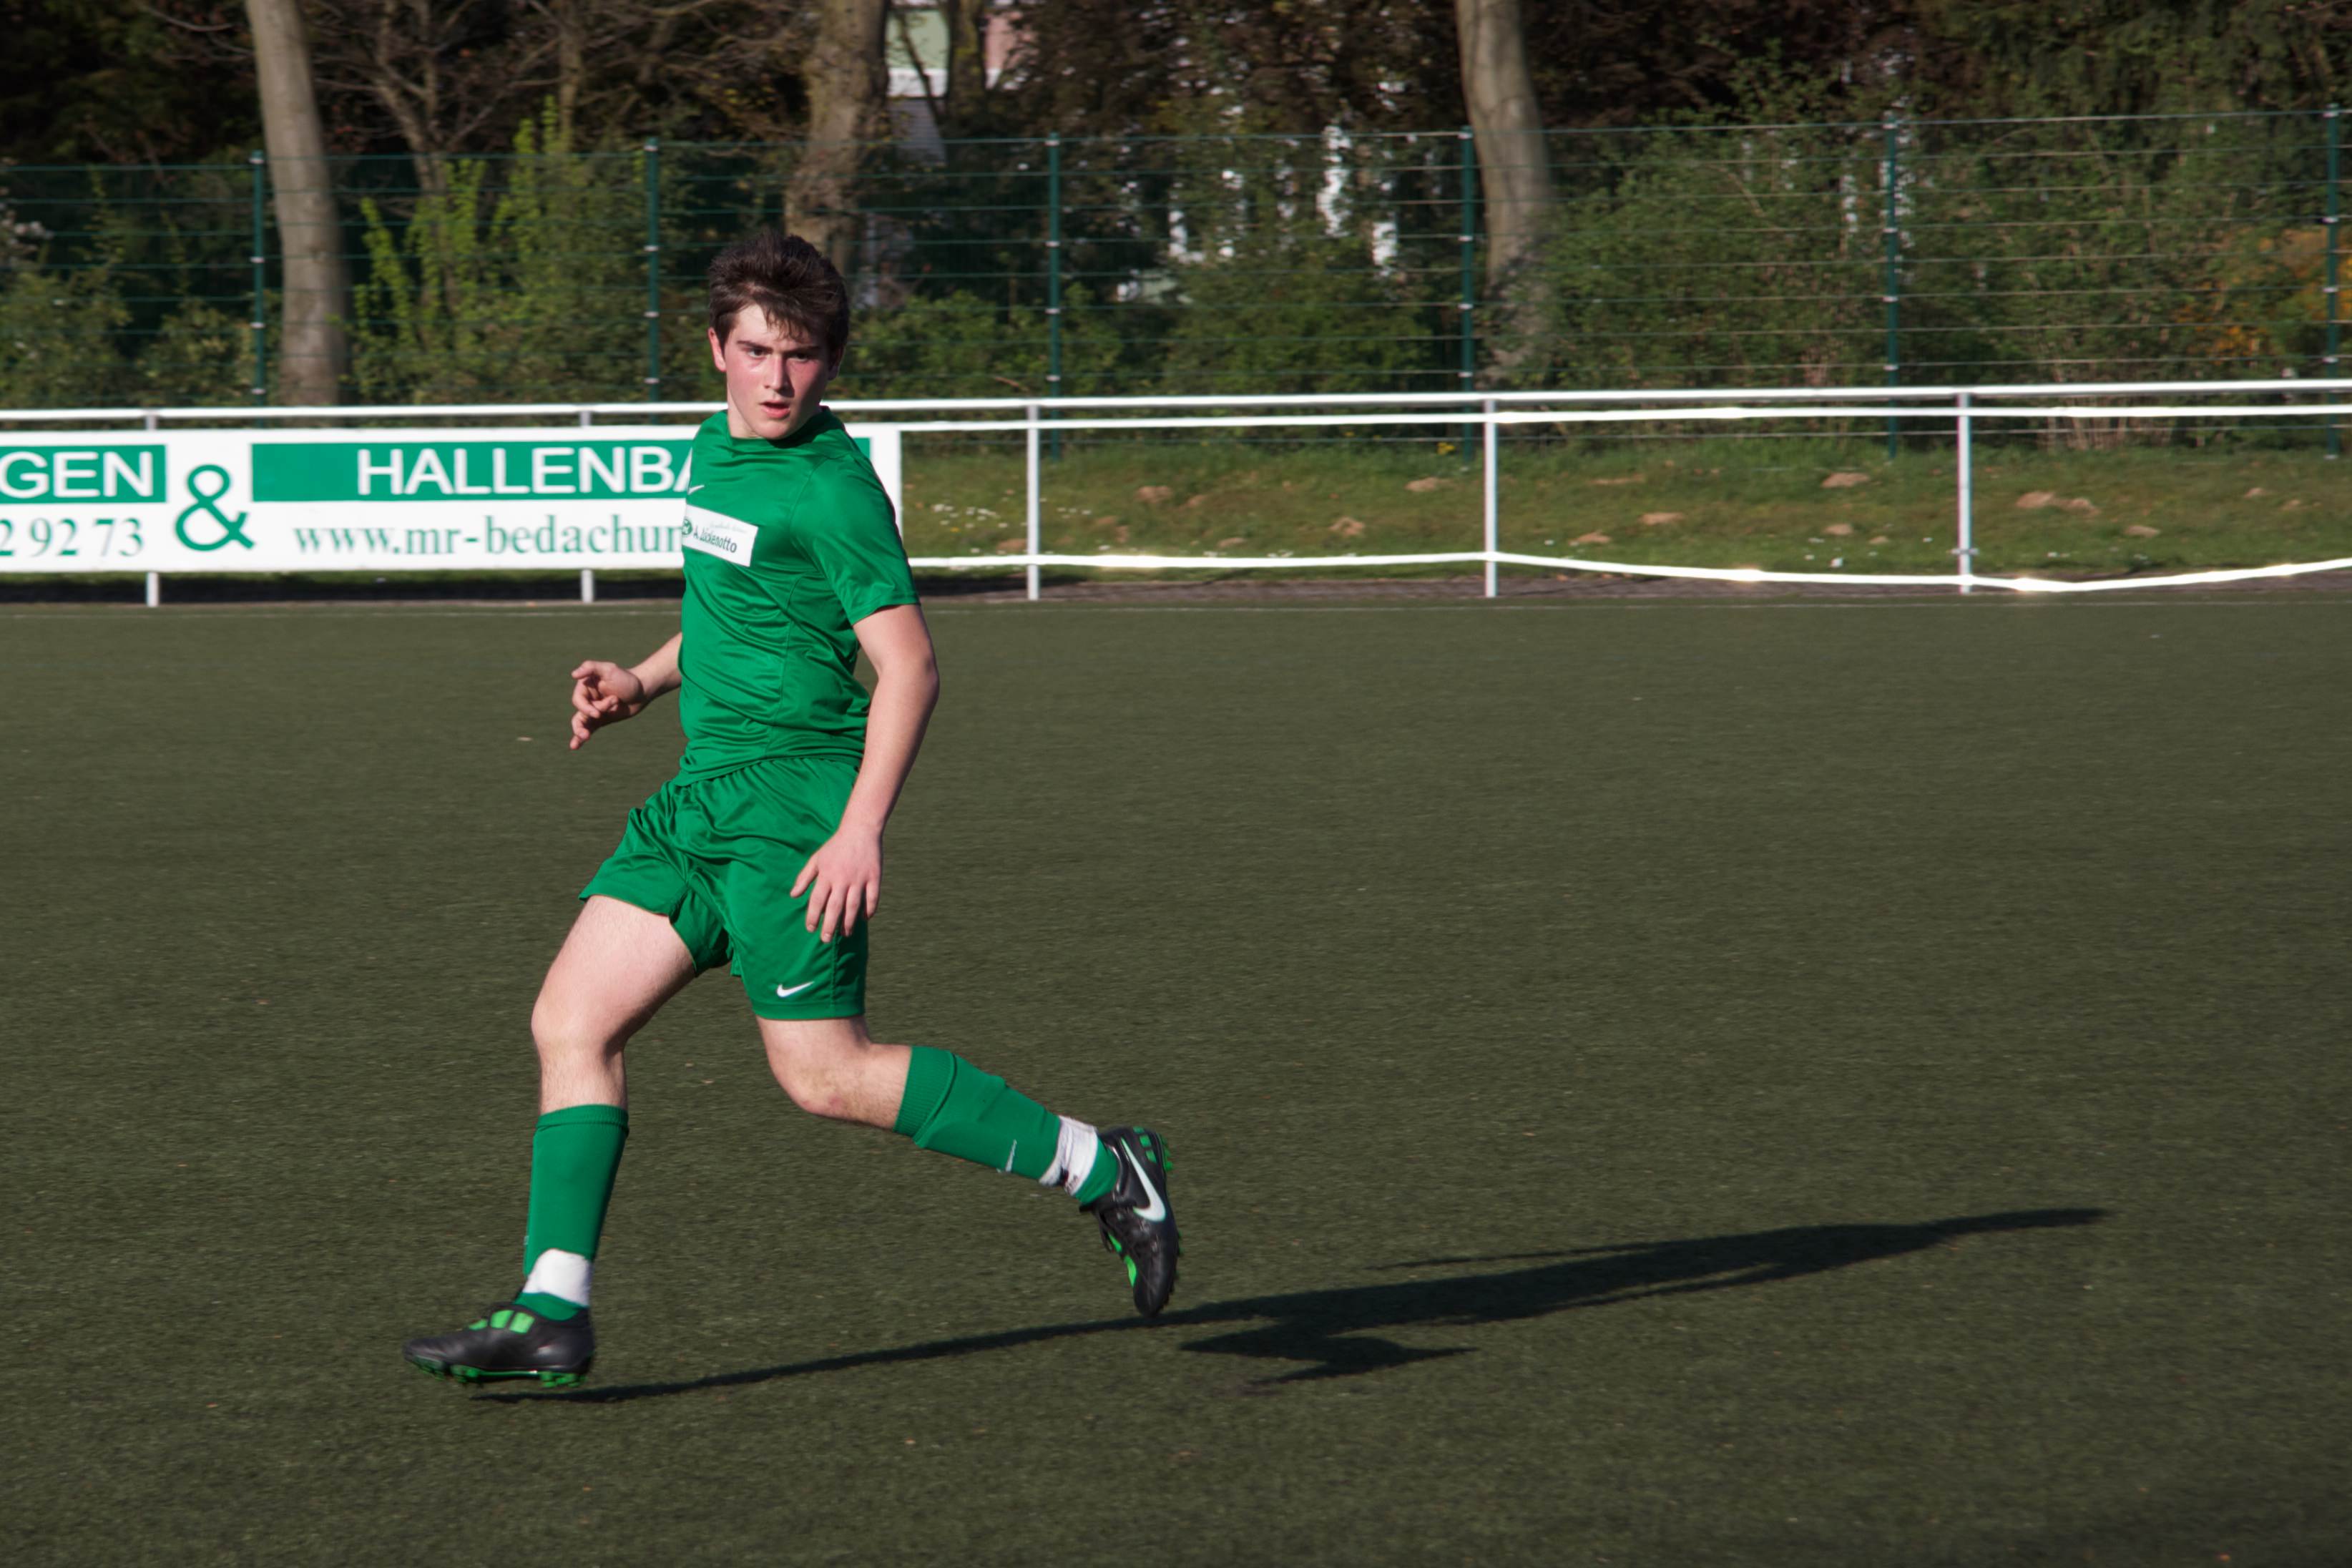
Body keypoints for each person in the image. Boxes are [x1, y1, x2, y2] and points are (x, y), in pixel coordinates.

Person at [401, 230, 1177, 1388]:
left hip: (794, 810)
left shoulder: (834, 488)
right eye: (759, 351)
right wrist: (642, 682)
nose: (778, 379)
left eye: (803, 356)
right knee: (571, 1021)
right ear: (717, 347)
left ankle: (1105, 1169)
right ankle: (551, 1309)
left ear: (832, 361)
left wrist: (860, 829)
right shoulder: (712, 448)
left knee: (824, 1076)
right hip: (696, 802)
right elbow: (733, 604)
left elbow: (910, 669)